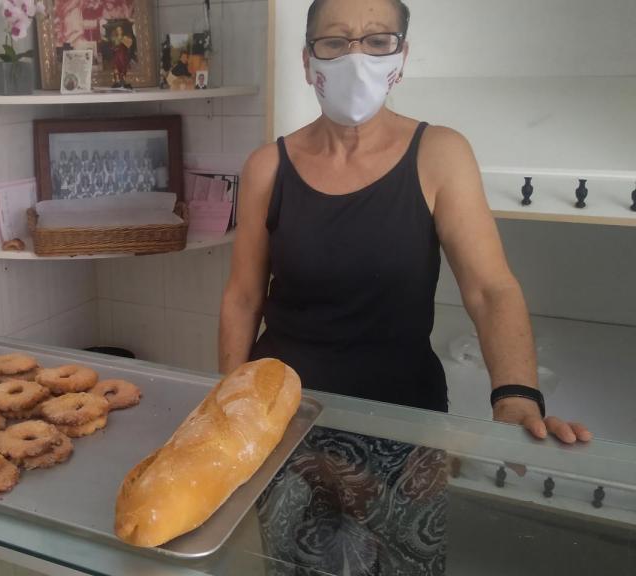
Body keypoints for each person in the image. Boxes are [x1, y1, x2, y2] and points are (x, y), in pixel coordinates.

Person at [218, 0, 592, 573]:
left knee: (408, 565)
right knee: (295, 566)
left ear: (402, 55)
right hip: (285, 422)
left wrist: (516, 397)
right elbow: (243, 296)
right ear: (307, 58)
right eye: (335, 42)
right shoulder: (268, 166)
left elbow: (490, 288)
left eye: (377, 41)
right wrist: (228, 408)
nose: (356, 57)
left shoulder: (440, 153)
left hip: (405, 426)